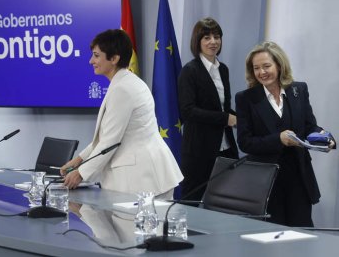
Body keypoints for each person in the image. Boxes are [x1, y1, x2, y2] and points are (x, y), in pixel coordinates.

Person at [60, 29, 183, 199]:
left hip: (144, 179)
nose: (91, 61)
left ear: (114, 58)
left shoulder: (123, 89)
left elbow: (110, 141)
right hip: (146, 176)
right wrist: (78, 160)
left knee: (143, 226)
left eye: (96, 55)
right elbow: (106, 137)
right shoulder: (124, 83)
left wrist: (80, 173)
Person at [235, 41, 335, 227]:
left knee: (302, 234)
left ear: (279, 65)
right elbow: (245, 142)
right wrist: (278, 139)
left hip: (299, 177)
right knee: (271, 239)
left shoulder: (299, 90)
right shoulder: (246, 99)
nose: (261, 72)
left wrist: (324, 138)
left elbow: (308, 126)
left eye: (266, 66)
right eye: (256, 68)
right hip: (265, 183)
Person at [177, 17, 238, 202]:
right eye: (207, 37)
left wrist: (239, 117)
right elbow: (187, 111)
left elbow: (224, 107)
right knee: (191, 202)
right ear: (198, 42)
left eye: (217, 36)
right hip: (198, 149)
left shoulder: (224, 69)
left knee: (226, 202)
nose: (213, 42)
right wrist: (225, 118)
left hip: (225, 147)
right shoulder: (190, 70)